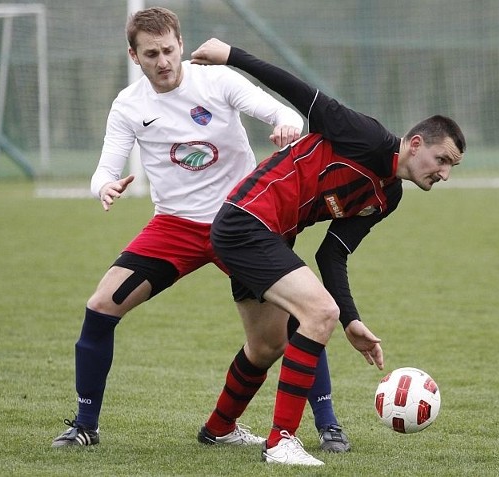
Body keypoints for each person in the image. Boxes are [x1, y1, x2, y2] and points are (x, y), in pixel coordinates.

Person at [51, 7, 350, 453]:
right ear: (134, 56)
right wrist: (105, 187)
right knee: (101, 306)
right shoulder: (129, 105)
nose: (164, 61)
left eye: (169, 50)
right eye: (151, 53)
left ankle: (324, 425)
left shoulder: (216, 80)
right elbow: (104, 170)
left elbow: (276, 110)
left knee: (284, 329)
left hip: (242, 223)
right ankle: (85, 425)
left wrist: (284, 123)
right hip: (175, 226)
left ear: (180, 43)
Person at [190, 39, 466, 466]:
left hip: (271, 236)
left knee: (265, 345)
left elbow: (332, 256)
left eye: (453, 167)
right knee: (319, 313)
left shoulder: (389, 196)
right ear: (414, 144)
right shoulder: (366, 136)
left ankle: (219, 428)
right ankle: (282, 441)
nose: (445, 173)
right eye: (441, 159)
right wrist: (232, 55)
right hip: (248, 218)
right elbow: (301, 92)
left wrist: (352, 321)